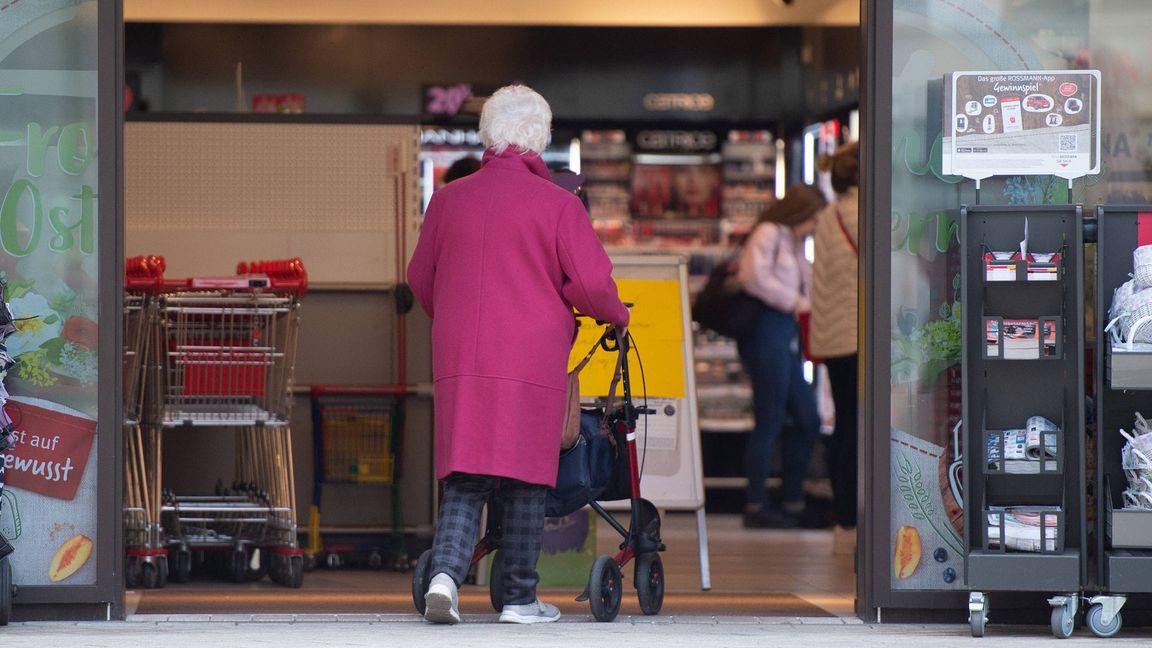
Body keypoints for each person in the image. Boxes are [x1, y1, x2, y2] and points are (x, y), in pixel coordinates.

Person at [406, 84, 630, 625]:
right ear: (539, 140)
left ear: (488, 134)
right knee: (527, 474)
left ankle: (444, 577)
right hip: (531, 357)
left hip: (462, 357)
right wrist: (615, 315)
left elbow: (420, 278)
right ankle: (519, 599)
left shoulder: (448, 198)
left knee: (466, 471)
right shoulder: (558, 205)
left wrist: (455, 321)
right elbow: (594, 283)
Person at [735, 184, 826, 529]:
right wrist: (796, 302)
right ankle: (757, 505)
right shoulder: (769, 232)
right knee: (770, 418)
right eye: (815, 219)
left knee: (807, 418)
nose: (816, 227)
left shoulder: (792, 240)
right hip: (765, 330)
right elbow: (752, 277)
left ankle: (792, 499)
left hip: (782, 331)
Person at [810, 141, 860, 554]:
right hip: (857, 331)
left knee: (845, 421)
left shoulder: (828, 214)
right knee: (859, 423)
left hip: (832, 333)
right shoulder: (864, 211)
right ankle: (852, 509)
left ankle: (843, 509)